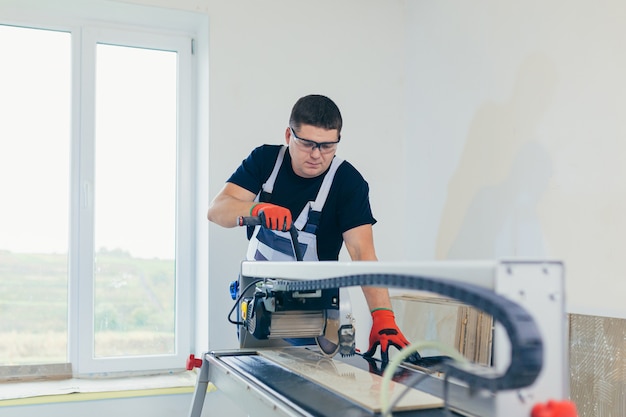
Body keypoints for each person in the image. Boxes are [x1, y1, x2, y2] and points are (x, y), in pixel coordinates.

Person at [207, 94, 410, 360]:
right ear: (289, 135)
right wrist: (257, 209)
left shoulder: (347, 182)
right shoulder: (265, 161)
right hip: (258, 308)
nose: (316, 155)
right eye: (307, 144)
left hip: (314, 318)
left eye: (327, 146)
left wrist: (383, 316)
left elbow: (362, 253)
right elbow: (217, 210)